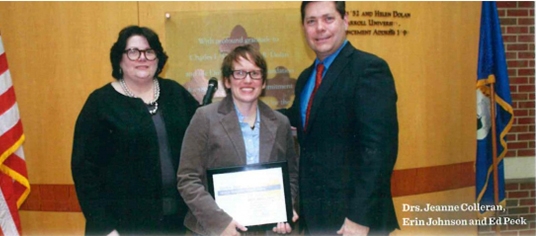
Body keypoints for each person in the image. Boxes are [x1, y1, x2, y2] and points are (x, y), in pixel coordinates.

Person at [279, 2, 399, 235]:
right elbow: (297, 119)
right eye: (311, 21)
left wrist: (359, 217)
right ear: (303, 27)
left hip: (354, 220)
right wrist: (246, 109)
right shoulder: (306, 78)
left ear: (345, 20)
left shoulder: (369, 69)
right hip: (317, 215)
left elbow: (379, 151)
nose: (319, 28)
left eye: (328, 19)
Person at [71, 25, 199, 235]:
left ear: (158, 59)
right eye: (133, 51)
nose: (142, 58)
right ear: (119, 59)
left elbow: (203, 141)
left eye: (149, 51)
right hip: (121, 225)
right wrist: (104, 227)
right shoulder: (100, 103)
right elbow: (85, 172)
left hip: (177, 221)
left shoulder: (175, 94)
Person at [177, 44, 299, 236]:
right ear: (227, 81)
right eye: (239, 73)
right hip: (213, 231)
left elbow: (291, 176)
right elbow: (188, 179)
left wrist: (284, 208)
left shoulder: (281, 123)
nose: (247, 80)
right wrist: (220, 223)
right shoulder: (205, 118)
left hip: (266, 230)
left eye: (255, 74)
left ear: (264, 82)